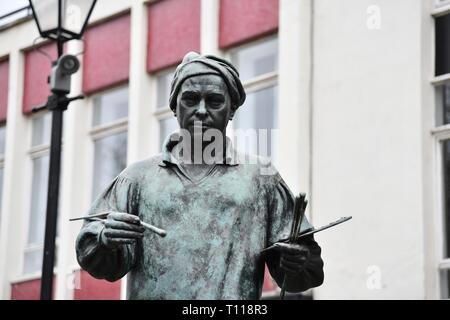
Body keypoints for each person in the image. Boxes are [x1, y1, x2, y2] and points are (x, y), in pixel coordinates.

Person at [75, 52, 324, 299]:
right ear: (174, 106)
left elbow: (303, 275)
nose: (202, 111)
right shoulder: (137, 179)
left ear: (232, 109)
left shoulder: (261, 178)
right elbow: (96, 259)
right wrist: (105, 239)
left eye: (214, 101)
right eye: (191, 100)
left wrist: (297, 261)